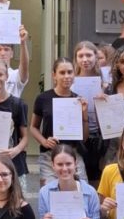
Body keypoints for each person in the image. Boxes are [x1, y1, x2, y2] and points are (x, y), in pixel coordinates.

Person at [30, 57, 89, 186]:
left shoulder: (78, 100)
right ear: (54, 75)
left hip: (73, 153)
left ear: (74, 74)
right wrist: (44, 141)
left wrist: (84, 115)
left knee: (81, 191)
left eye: (70, 72)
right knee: (50, 192)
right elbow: (33, 127)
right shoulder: (43, 98)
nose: (66, 76)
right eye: (62, 73)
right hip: (49, 155)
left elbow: (84, 137)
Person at [73, 40, 105, 183]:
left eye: (89, 55)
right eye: (81, 56)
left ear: (96, 57)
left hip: (101, 137)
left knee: (99, 178)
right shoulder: (70, 81)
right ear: (76, 58)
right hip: (78, 137)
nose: (85, 60)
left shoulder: (106, 81)